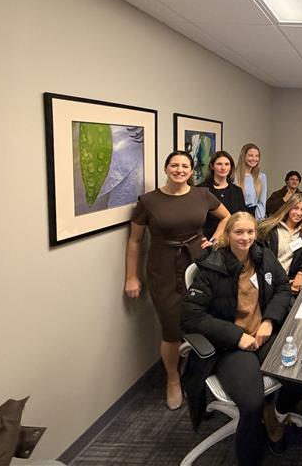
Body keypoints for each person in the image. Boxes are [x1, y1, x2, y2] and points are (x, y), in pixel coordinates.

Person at [182, 212, 302, 464]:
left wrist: (269, 320)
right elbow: (190, 316)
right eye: (239, 232)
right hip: (231, 345)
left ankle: (276, 415)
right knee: (251, 404)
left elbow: (282, 287)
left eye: (250, 232)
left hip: (263, 335)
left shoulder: (262, 256)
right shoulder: (211, 266)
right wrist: (237, 335)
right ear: (228, 235)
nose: (245, 237)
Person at [124, 150, 230, 410]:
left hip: (198, 263)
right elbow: (135, 241)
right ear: (165, 168)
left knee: (206, 317)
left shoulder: (202, 195)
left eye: (185, 166)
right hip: (163, 267)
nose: (180, 170)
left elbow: (227, 217)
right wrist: (131, 277)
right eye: (174, 165)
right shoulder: (149, 201)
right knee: (171, 327)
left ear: (191, 171)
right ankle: (173, 379)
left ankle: (205, 372)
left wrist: (215, 237)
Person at [258, 193, 302, 294]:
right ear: (288, 208)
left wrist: (301, 272)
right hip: (269, 283)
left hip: (290, 282)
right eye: (295, 208)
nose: (298, 213)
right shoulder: (269, 229)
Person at [200, 150, 246, 240]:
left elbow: (242, 216)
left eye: (227, 164)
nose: (223, 167)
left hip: (232, 239)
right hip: (207, 240)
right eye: (219, 164)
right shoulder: (201, 190)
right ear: (212, 166)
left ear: (230, 167)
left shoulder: (237, 191)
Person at [236, 143, 267, 219]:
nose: (254, 159)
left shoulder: (262, 177)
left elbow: (262, 202)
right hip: (236, 216)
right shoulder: (234, 176)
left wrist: (256, 219)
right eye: (250, 155)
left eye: (257, 156)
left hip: (254, 217)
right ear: (243, 156)